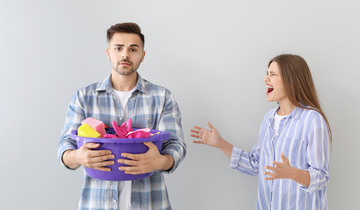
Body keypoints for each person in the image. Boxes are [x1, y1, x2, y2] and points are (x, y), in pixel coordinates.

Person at [58, 22, 186, 210]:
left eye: (133, 49)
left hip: (150, 203)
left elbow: (176, 145)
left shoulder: (162, 97)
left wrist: (161, 161)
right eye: (119, 48)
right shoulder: (84, 97)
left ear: (142, 56)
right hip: (96, 204)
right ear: (109, 52)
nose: (125, 54)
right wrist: (78, 157)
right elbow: (65, 145)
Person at [191, 54, 331, 210]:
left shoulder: (312, 119)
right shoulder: (268, 119)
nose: (266, 79)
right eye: (267, 73)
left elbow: (321, 177)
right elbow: (257, 164)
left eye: (272, 74)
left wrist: (292, 173)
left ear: (291, 81)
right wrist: (220, 144)